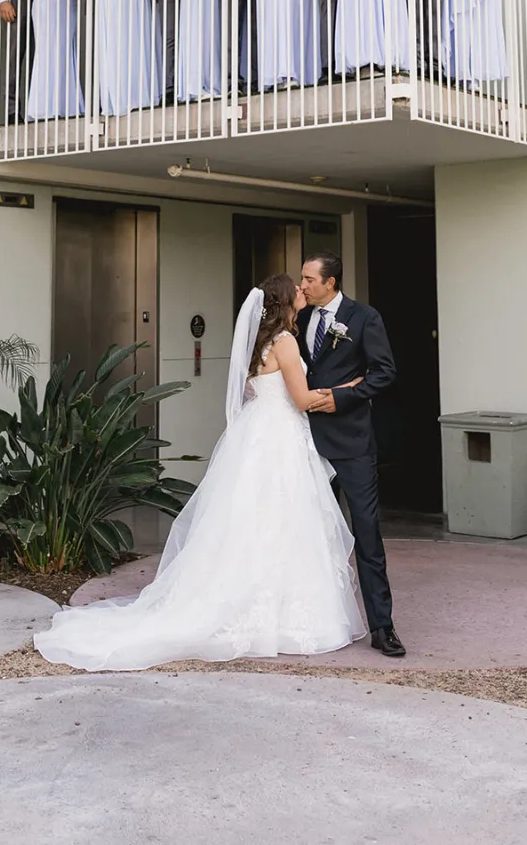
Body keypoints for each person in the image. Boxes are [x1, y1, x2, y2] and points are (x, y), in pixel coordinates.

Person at [33, 274, 366, 671]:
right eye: (295, 288)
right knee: (283, 519)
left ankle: (251, 603)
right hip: (279, 440)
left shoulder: (261, 344)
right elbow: (301, 398)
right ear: (283, 300)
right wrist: (351, 388)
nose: (301, 291)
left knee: (251, 523)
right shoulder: (287, 342)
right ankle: (279, 617)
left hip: (257, 437)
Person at [298, 252, 405, 658]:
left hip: (353, 445)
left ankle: (383, 626)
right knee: (309, 534)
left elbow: (384, 372)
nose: (302, 285)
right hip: (306, 444)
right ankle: (314, 619)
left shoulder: (364, 318)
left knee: (367, 534)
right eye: (302, 279)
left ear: (331, 282)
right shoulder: (300, 319)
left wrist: (343, 397)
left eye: (309, 279)